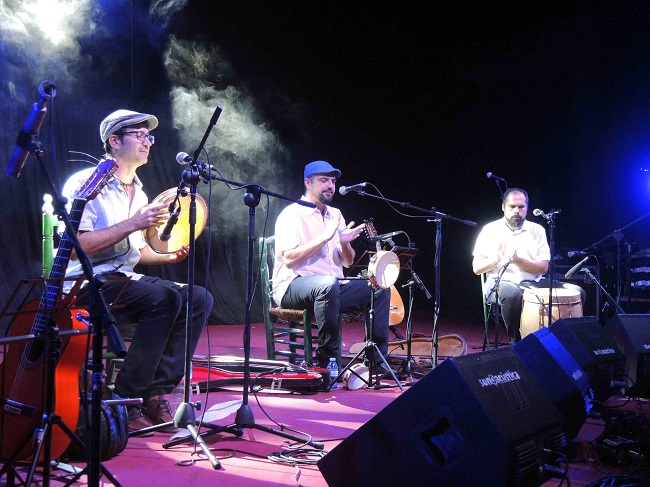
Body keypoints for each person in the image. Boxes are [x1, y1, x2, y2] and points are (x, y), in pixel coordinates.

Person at [62, 109, 214, 434]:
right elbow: (75, 247)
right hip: (87, 282)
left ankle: (155, 392)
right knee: (163, 298)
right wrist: (133, 223)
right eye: (139, 135)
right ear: (114, 141)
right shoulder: (86, 182)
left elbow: (134, 251)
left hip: (124, 280)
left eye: (149, 136)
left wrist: (166, 257)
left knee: (199, 298)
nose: (147, 142)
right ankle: (125, 399)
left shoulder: (141, 193)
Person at [271, 160, 391, 374]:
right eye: (324, 180)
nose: (330, 186)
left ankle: (376, 362)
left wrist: (344, 242)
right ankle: (328, 362)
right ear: (308, 183)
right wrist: (327, 236)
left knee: (380, 288)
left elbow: (347, 262)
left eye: (333, 181)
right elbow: (289, 259)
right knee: (327, 285)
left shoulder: (335, 214)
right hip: (293, 287)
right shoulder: (291, 214)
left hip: (332, 288)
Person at [472, 187, 585, 343]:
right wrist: (496, 258)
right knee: (512, 295)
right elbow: (477, 268)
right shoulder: (490, 230)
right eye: (512, 206)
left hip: (534, 282)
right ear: (503, 207)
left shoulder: (537, 230)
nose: (516, 210)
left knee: (577, 292)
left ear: (527, 208)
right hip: (501, 282)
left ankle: (561, 340)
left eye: (521, 206)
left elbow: (543, 268)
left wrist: (517, 260)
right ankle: (517, 342)